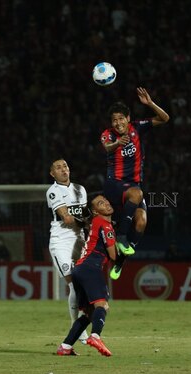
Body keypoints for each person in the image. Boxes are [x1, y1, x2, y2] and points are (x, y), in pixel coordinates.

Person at [100, 87, 170, 279]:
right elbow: (107, 147)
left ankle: (120, 260)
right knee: (137, 194)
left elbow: (165, 119)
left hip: (133, 186)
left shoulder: (137, 127)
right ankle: (121, 237)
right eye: (114, 120)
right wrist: (117, 144)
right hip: (114, 185)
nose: (118, 122)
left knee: (141, 222)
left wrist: (150, 104)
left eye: (121, 118)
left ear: (128, 118)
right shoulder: (108, 134)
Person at [56, 195, 116, 357]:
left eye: (106, 200)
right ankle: (95, 336)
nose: (107, 203)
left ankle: (66, 346)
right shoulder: (104, 225)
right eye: (101, 203)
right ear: (95, 211)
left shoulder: (97, 223)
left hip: (80, 269)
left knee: (89, 313)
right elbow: (113, 255)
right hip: (90, 268)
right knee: (102, 305)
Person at [46, 158, 89, 344]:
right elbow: (66, 217)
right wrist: (91, 220)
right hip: (61, 243)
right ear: (52, 174)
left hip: (80, 242)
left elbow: (86, 215)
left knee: (82, 285)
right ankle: (77, 328)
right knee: (74, 283)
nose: (63, 169)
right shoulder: (53, 192)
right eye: (58, 167)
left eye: (65, 166)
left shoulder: (81, 189)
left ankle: (78, 328)